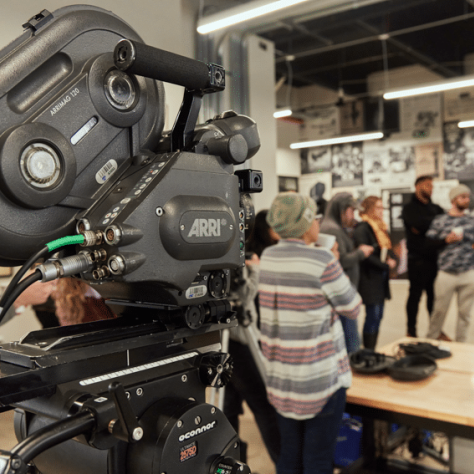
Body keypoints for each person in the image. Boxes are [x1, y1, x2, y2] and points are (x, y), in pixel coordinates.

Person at [259, 192, 362, 474]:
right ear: (305, 223)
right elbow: (352, 307)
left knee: (289, 456)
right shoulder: (322, 260)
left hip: (281, 378)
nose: (318, 222)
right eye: (315, 216)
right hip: (320, 380)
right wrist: (335, 261)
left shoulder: (268, 257)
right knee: (318, 460)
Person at [224, 210, 281, 465]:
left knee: (229, 410)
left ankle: (233, 462)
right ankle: (284, 463)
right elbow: (244, 299)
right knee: (263, 405)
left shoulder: (250, 255)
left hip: (236, 337)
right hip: (239, 338)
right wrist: (256, 272)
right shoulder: (253, 260)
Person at [401, 176, 461, 338]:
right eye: (427, 185)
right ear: (418, 186)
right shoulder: (409, 209)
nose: (431, 188)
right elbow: (419, 225)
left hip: (435, 260)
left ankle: (436, 330)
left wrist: (429, 229)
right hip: (417, 260)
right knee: (415, 296)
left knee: (434, 298)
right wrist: (436, 228)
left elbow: (442, 225)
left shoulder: (436, 208)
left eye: (431, 185)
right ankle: (411, 331)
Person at [320, 192, 373, 352]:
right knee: (351, 343)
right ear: (342, 209)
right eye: (351, 211)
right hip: (341, 294)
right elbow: (341, 260)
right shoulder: (333, 229)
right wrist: (361, 252)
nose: (353, 216)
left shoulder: (333, 227)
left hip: (343, 292)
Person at [426, 184, 474, 342]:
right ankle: (430, 341)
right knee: (439, 312)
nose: (467, 200)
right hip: (446, 273)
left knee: (465, 314)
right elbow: (429, 242)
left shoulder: (470, 220)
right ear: (454, 200)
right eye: (463, 197)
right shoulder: (441, 220)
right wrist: (446, 240)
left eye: (468, 197)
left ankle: (462, 346)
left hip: (468, 273)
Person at [353, 196, 397, 350]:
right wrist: (385, 265)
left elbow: (384, 249)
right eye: (378, 207)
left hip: (379, 277)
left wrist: (391, 260)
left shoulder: (380, 227)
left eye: (382, 207)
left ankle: (372, 349)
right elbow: (365, 255)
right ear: (370, 209)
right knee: (373, 315)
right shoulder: (363, 228)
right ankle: (369, 351)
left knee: (378, 316)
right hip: (369, 278)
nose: (381, 210)